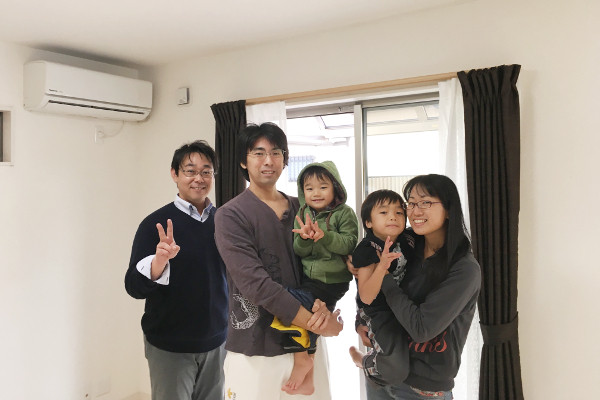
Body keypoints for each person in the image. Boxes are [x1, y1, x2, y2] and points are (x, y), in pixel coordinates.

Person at [214, 122, 344, 400]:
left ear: (285, 159)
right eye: (258, 153)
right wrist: (318, 323)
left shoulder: (305, 208)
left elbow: (326, 265)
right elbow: (256, 285)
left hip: (307, 347)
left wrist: (326, 313)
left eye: (276, 152)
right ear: (243, 161)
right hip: (257, 348)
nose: (268, 161)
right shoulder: (231, 215)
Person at [355, 174, 481, 400]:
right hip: (381, 377)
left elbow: (421, 329)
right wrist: (361, 319)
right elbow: (365, 277)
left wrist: (383, 276)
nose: (415, 211)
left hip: (423, 390)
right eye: (411, 203)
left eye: (425, 202)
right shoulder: (406, 244)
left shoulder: (464, 269)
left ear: (449, 209)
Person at [124, 140, 227, 400]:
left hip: (216, 340)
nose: (199, 178)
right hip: (170, 345)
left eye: (206, 171)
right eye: (190, 171)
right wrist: (158, 263)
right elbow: (133, 287)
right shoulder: (154, 224)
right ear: (175, 174)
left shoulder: (224, 221)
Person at [273, 161, 358, 393]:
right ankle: (308, 376)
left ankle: (302, 359)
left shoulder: (345, 213)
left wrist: (324, 236)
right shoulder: (303, 214)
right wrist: (304, 238)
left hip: (332, 280)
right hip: (310, 279)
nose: (316, 193)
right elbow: (300, 251)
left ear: (335, 188)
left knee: (287, 302)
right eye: (309, 188)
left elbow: (349, 243)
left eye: (322, 187)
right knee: (310, 321)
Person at [348, 190, 412, 386]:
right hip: (377, 310)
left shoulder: (408, 239)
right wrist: (381, 267)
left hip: (401, 305)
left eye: (399, 212)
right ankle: (362, 360)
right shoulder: (368, 248)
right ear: (368, 222)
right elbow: (366, 297)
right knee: (395, 369)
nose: (393, 216)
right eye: (383, 212)